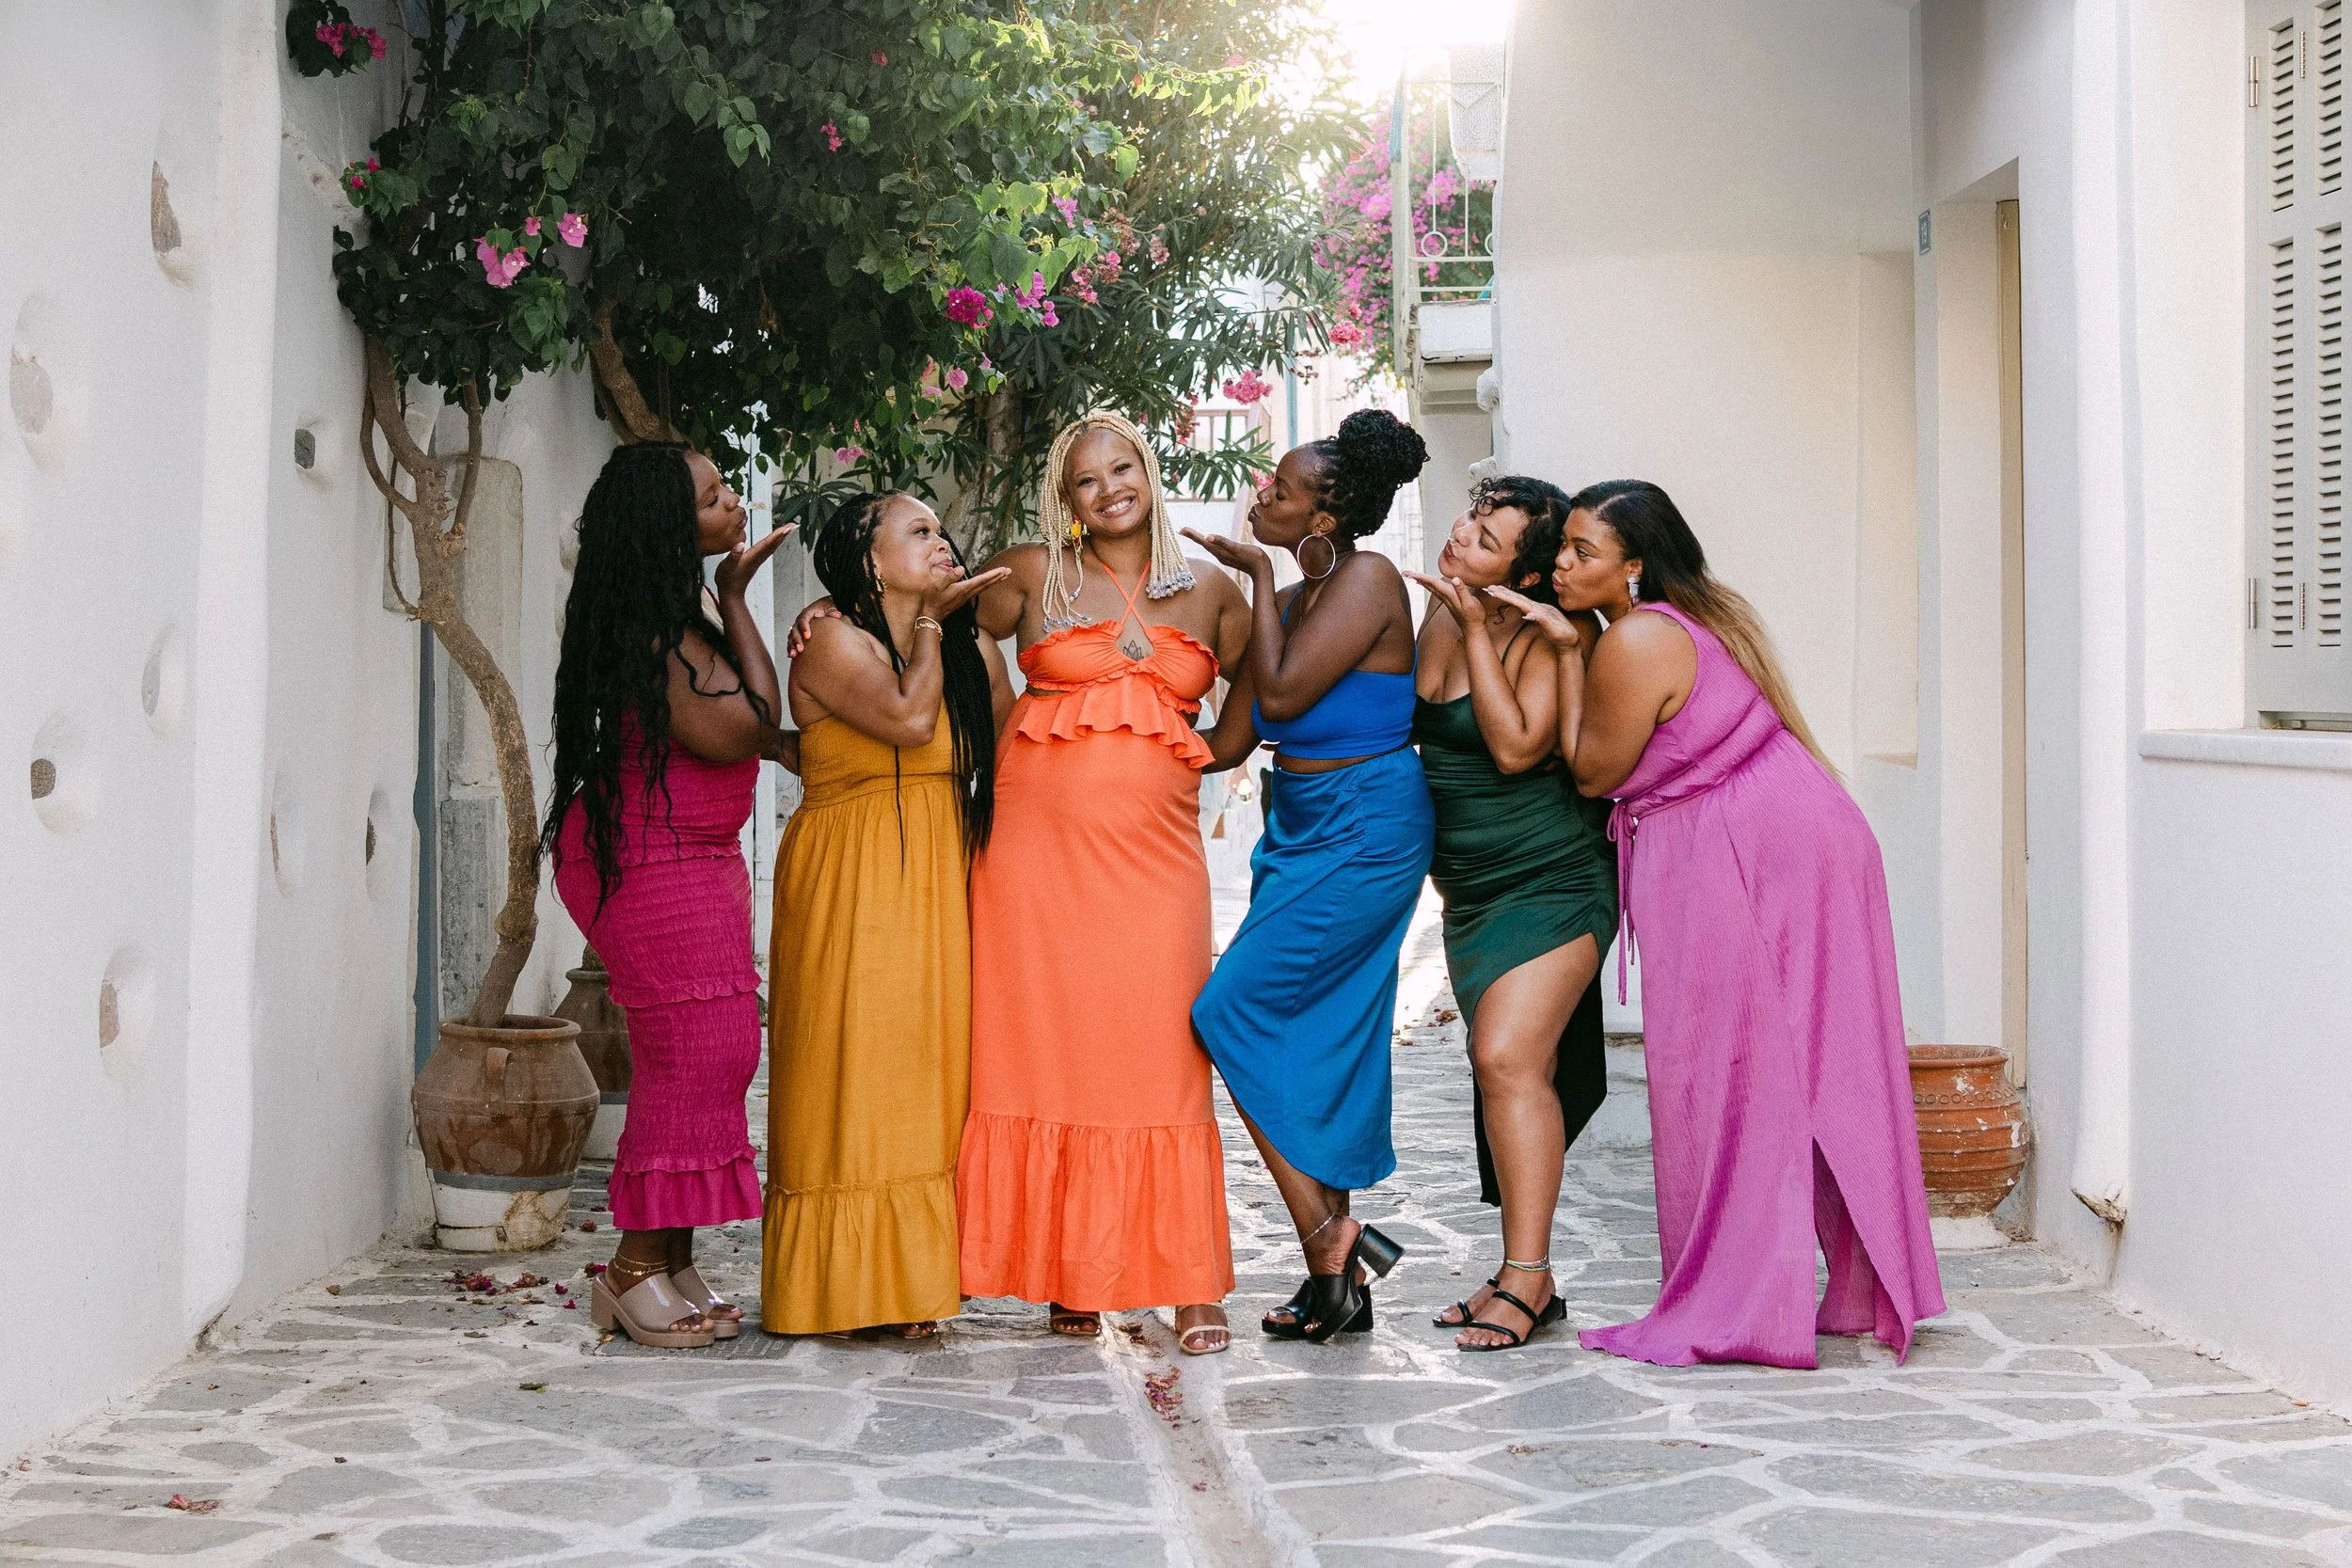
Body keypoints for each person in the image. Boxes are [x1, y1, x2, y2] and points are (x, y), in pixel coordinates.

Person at [797, 411, 1248, 1354]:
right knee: (1043, 1051)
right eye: (1086, 479)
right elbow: (931, 614)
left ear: (1150, 473)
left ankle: (1188, 1282)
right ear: (1065, 497)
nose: (1108, 487)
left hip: (1156, 858)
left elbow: (1266, 684)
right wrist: (830, 614)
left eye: (1122, 467)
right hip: (1032, 854)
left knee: (1163, 1051)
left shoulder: (1212, 589)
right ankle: (1067, 1273)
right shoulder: (1036, 572)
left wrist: (1214, 751)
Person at [1497, 479, 1946, 1369]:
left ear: (1634, 568)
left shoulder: (1635, 639)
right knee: (1812, 1056)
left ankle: (1740, 1299)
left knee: (1731, 1067)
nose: (1561, 563)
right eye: (1565, 547)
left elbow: (1593, 771)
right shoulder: (1690, 618)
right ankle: (1854, 1286)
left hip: (1751, 848)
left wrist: (1563, 644)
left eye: (1585, 551)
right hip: (1786, 834)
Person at [1185, 408, 1435, 1345]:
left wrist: (1250, 576)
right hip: (1299, 827)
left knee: (1228, 1009)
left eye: (1280, 491)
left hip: (1370, 823)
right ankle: (1337, 1284)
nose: (1261, 497)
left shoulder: (1367, 581)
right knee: (1302, 1029)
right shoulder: (1285, 605)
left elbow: (1283, 693)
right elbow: (1226, 743)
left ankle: (1333, 1234)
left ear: (1323, 521)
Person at [544, 443, 792, 1349]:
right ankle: (633, 1268)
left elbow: (755, 721)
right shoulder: (651, 629)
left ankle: (672, 1257)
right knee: (691, 1053)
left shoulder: (682, 612)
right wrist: (727, 605)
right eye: (714, 497)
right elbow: (750, 729)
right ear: (664, 525)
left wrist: (731, 597)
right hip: (644, 858)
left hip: (693, 855)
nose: (733, 506)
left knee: (720, 1046)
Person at [762, 492, 1010, 1338]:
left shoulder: (965, 643)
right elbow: (908, 719)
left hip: (938, 874)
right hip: (852, 877)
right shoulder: (830, 637)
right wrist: (938, 627)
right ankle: (838, 1287)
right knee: (850, 1070)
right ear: (868, 560)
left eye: (943, 528)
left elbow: (1014, 742)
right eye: (918, 531)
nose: (942, 540)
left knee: (925, 1073)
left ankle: (913, 1284)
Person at [1403, 476, 1617, 1352]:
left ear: (1521, 579)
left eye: (1487, 539)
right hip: (1471, 890)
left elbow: (1515, 745)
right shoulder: (1438, 613)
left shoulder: (1546, 636)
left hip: (1553, 876)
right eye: (1470, 519)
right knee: (1499, 1069)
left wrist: (1477, 627)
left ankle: (1526, 1280)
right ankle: (1523, 1270)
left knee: (1507, 1057)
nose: (1462, 537)